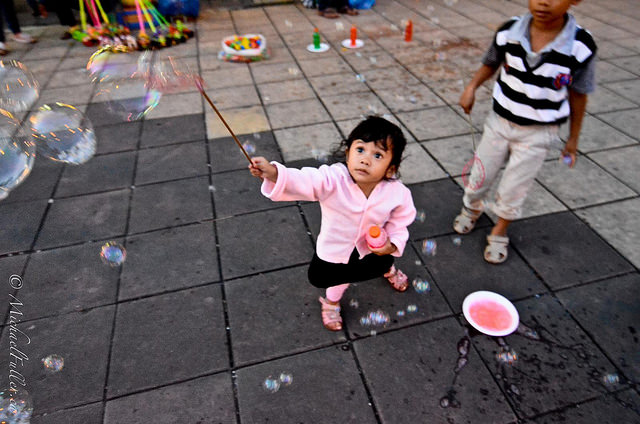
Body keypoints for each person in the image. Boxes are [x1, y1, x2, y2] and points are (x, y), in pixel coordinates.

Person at [453, 0, 596, 264]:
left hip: (539, 132)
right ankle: (471, 208)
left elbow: (579, 94)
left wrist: (573, 139)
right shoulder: (509, 31)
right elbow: (491, 62)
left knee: (515, 187)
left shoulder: (580, 45)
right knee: (480, 175)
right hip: (499, 122)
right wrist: (472, 86)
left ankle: (499, 229)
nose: (544, 2)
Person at [249, 116, 416, 331]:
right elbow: (307, 180)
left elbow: (400, 221)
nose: (365, 159)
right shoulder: (333, 179)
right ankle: (332, 302)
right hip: (336, 249)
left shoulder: (398, 193)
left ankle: (388, 269)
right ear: (348, 154)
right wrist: (274, 173)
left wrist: (392, 244)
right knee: (339, 277)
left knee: (382, 261)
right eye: (360, 150)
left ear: (391, 169)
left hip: (375, 248)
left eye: (377, 155)